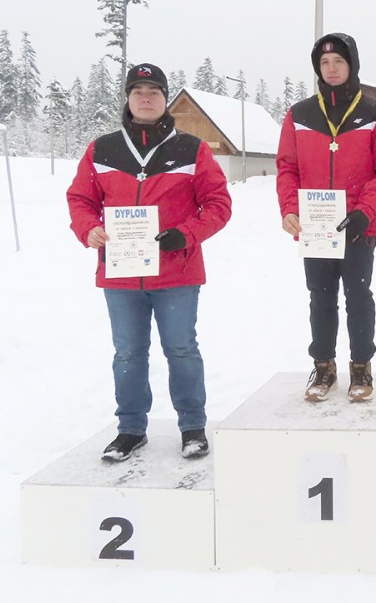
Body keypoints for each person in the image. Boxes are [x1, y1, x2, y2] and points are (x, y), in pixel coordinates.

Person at [67, 63, 232, 462]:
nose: (146, 98)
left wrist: (185, 234)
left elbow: (219, 204)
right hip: (122, 276)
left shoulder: (192, 149)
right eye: (138, 90)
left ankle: (193, 427)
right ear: (127, 98)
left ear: (164, 99)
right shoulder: (102, 149)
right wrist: (89, 229)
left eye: (154, 91)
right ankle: (130, 429)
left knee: (181, 349)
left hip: (176, 272)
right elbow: (80, 199)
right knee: (127, 353)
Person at [277, 33, 376, 403]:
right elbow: (287, 167)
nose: (332, 69)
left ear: (352, 66)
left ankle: (361, 365)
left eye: (339, 62)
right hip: (316, 226)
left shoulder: (375, 113)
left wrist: (366, 210)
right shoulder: (300, 115)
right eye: (325, 63)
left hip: (359, 225)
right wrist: (289, 208)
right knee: (320, 295)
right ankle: (323, 365)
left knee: (358, 295)